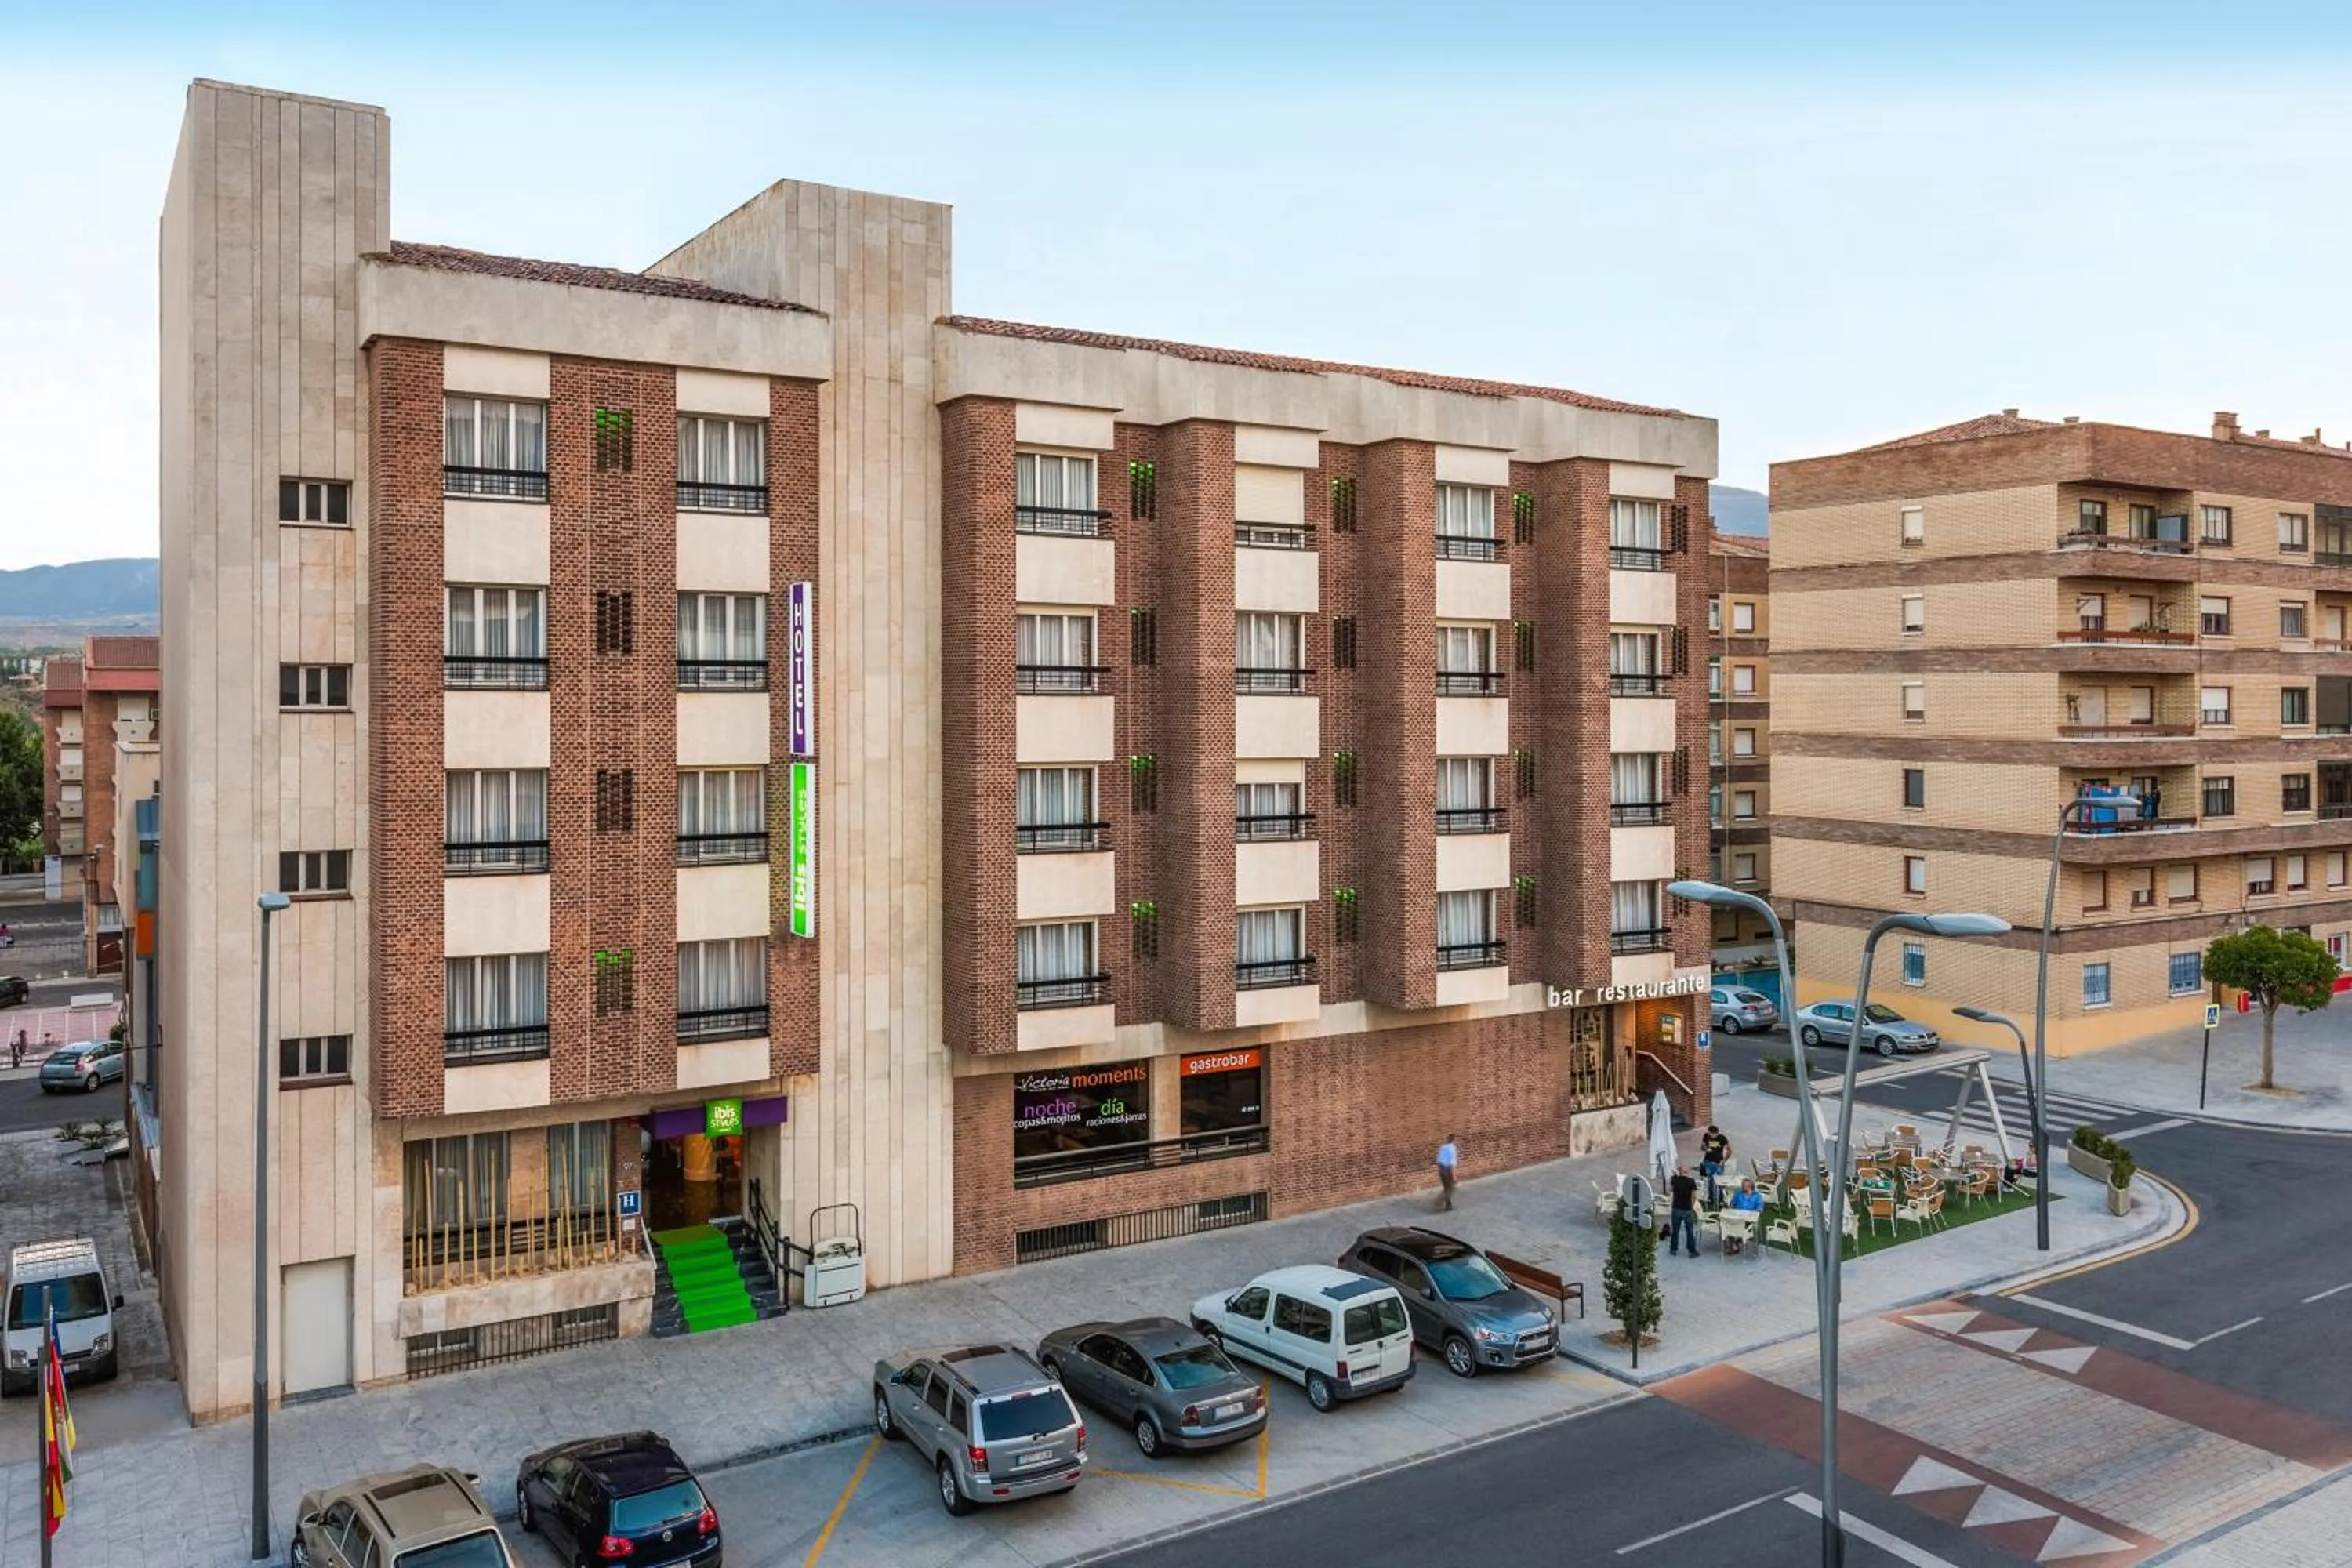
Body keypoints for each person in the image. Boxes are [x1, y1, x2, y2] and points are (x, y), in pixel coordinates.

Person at [1667, 1165, 1700, 1257]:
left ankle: (1673, 1249)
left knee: (1675, 1231)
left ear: (1680, 1172)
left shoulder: (1675, 1180)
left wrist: (1675, 1176)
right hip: (1687, 1209)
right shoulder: (1691, 1181)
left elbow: (1670, 1190)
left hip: (1676, 1208)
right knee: (1690, 1231)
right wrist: (1691, 1207)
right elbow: (1694, 1196)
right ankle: (1692, 1251)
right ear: (1687, 1172)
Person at [1726, 1177, 1766, 1254]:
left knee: (1744, 1226)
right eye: (1742, 1185)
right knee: (1727, 1223)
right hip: (1737, 1216)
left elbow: (1760, 1208)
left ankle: (1736, 1243)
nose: (1742, 1187)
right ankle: (1734, 1244)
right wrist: (1731, 1210)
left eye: (1744, 1185)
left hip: (1749, 1217)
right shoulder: (1738, 1193)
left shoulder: (1757, 1196)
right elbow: (1732, 1204)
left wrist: (1753, 1213)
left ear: (1750, 1187)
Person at [1699, 1123, 1732, 1204]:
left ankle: (1721, 1199)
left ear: (1715, 1133)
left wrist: (1724, 1161)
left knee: (1720, 1181)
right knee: (1710, 1180)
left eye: (1710, 1133)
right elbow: (1702, 1147)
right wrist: (1706, 1149)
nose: (1709, 1134)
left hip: (1718, 1163)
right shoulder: (1706, 1136)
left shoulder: (1722, 1138)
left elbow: (1729, 1150)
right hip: (1708, 1162)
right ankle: (1711, 1198)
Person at [1435, 1134, 1459, 1211]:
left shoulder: (1442, 1147)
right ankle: (1445, 1203)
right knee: (1450, 1187)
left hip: (1441, 1169)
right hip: (1447, 1170)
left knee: (1446, 1187)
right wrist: (1454, 1178)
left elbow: (1438, 1160)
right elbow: (1452, 1166)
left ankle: (1448, 1204)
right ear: (1454, 1141)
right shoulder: (1453, 1150)